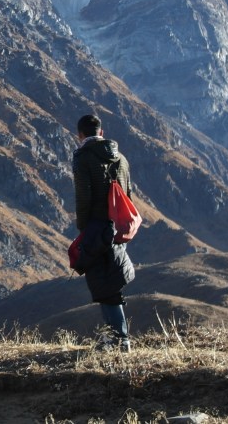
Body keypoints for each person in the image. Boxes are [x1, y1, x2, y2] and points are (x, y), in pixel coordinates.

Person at [71, 112, 135, 351]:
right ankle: (117, 338)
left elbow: (83, 196)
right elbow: (128, 194)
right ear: (102, 132)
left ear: (80, 135)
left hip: (96, 227)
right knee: (111, 281)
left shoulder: (83, 157)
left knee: (102, 283)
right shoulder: (122, 158)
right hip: (117, 227)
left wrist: (83, 228)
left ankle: (119, 339)